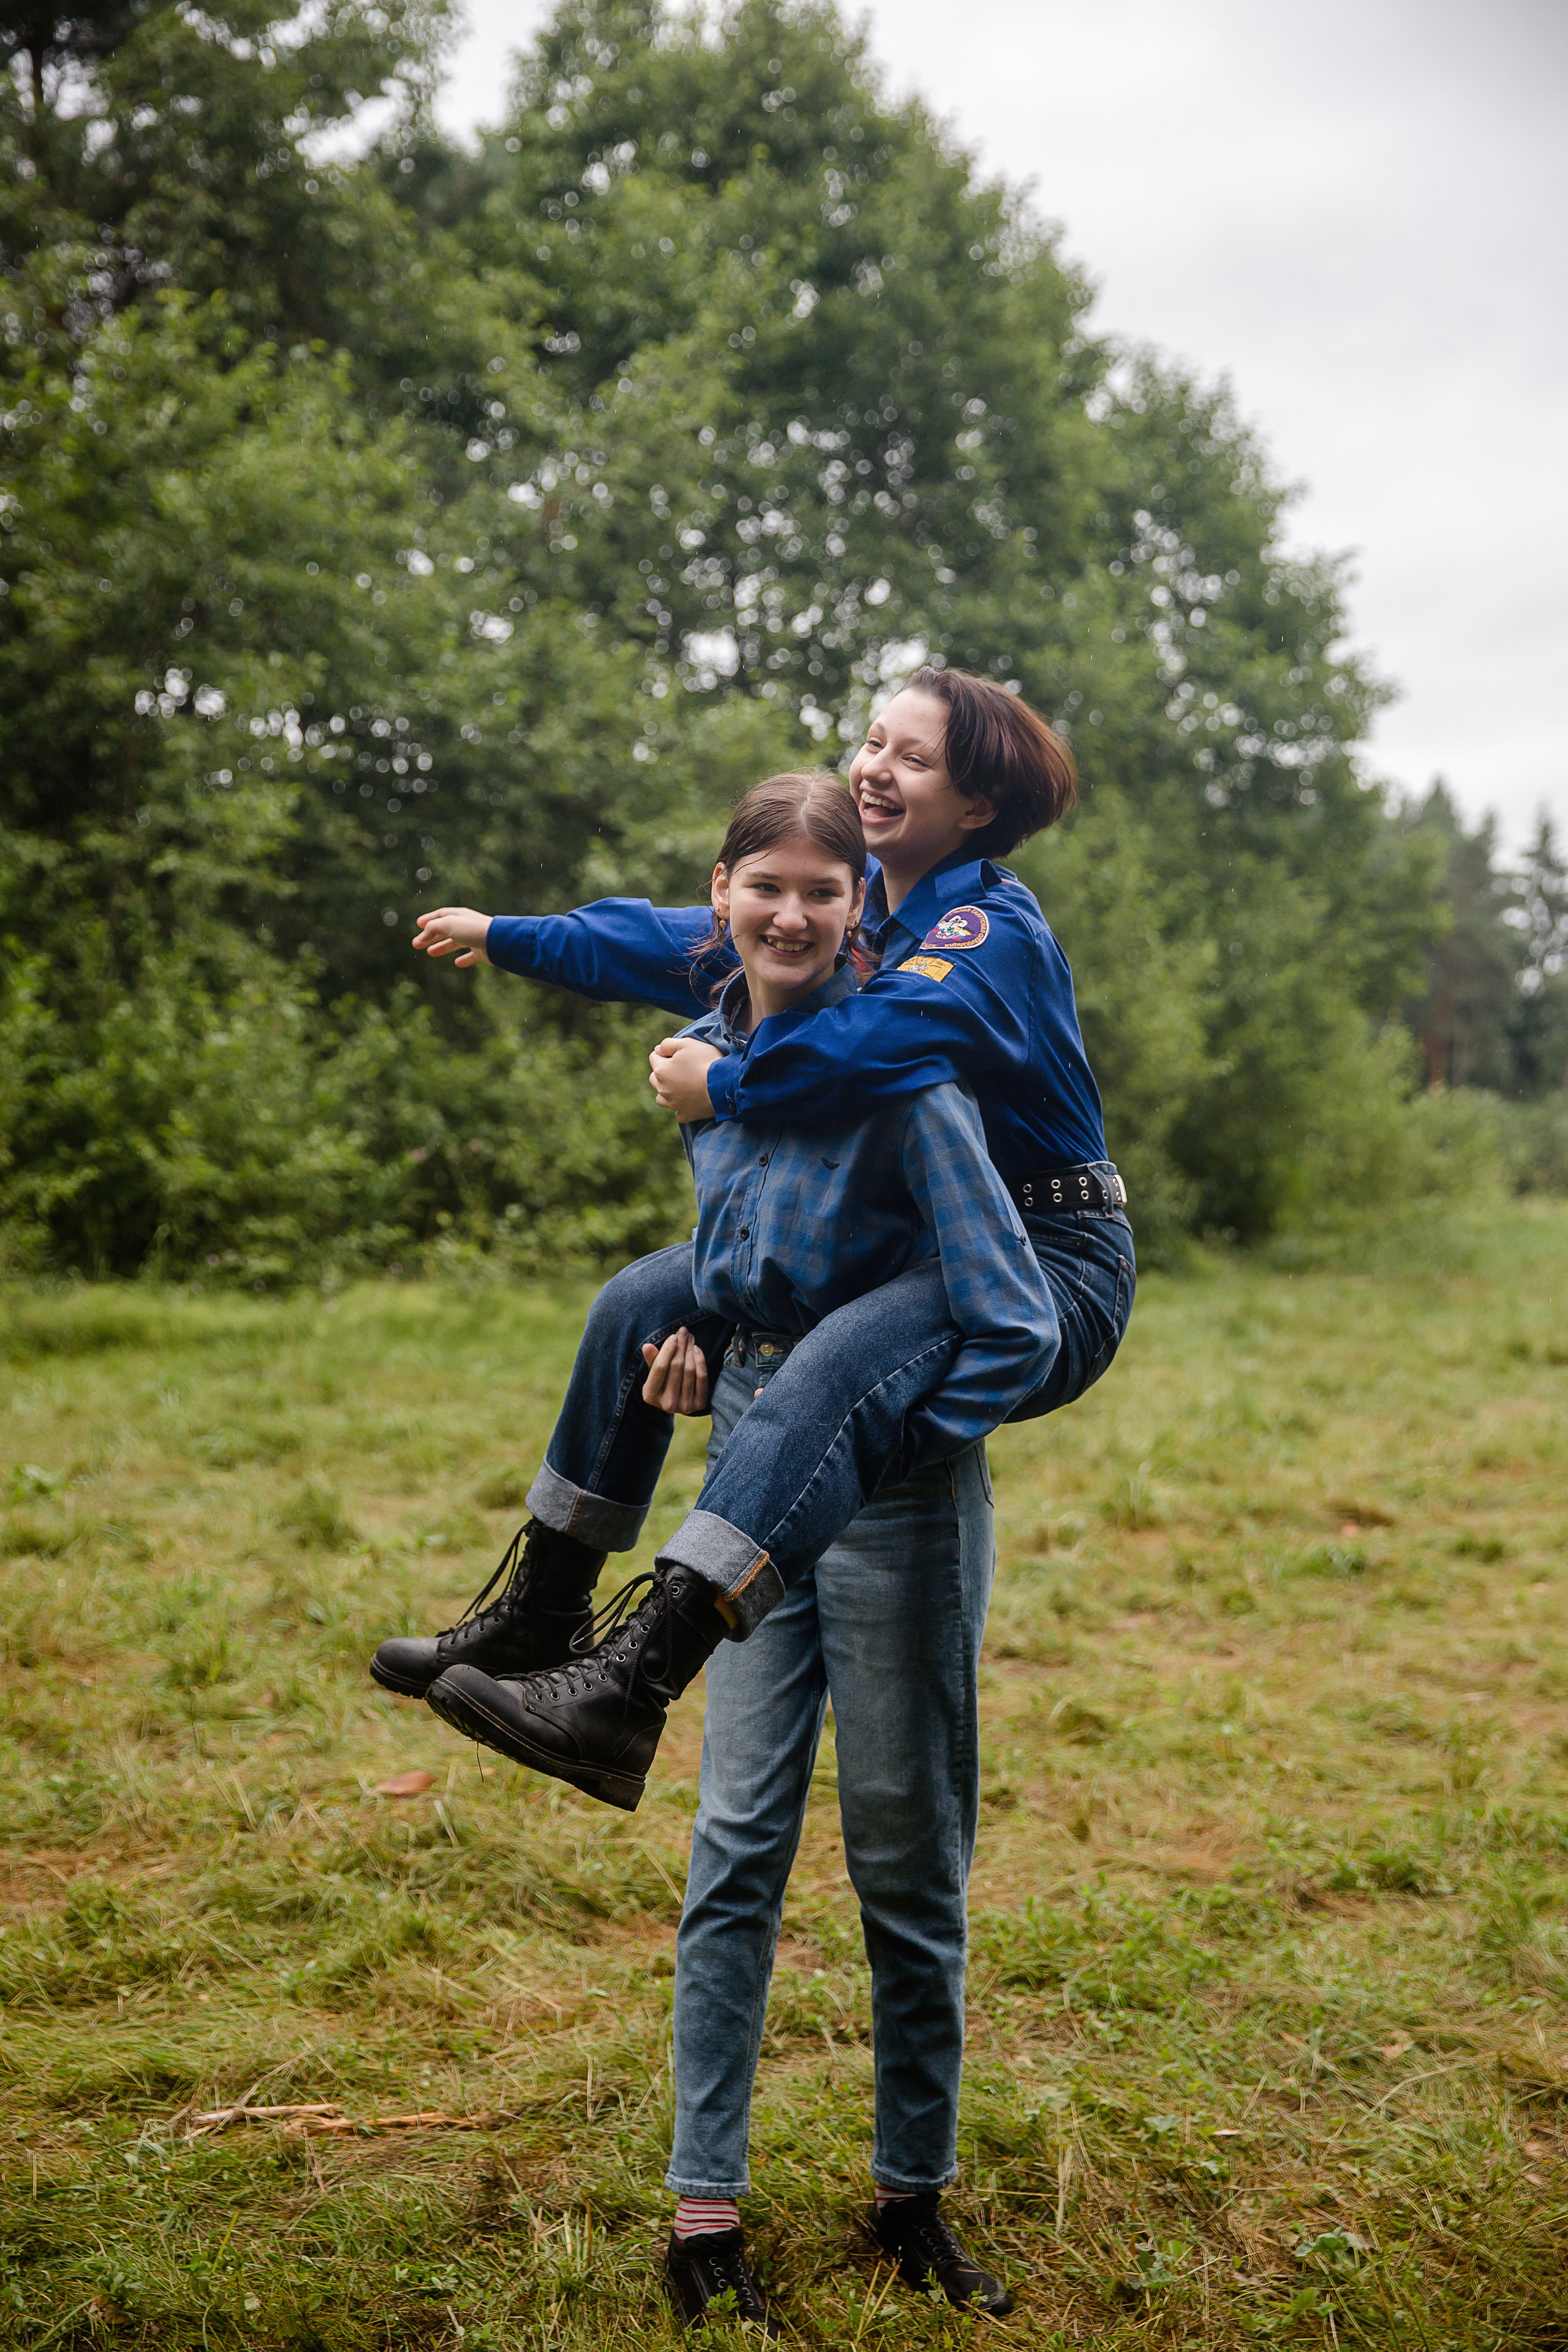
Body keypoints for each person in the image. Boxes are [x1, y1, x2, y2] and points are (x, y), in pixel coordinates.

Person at [429, 772, 1035, 2328]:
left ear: (856, 915)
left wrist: (893, 1437)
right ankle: (704, 2219)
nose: (790, 914)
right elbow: (749, 1258)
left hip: (897, 1511)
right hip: (744, 1490)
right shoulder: (709, 1062)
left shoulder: (905, 1073)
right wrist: (700, 1332)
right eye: (764, 886)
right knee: (734, 1854)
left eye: (824, 893)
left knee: (906, 1862)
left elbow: (1004, 1312)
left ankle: (911, 2199)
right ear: (721, 898)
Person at [369, 668, 1134, 1808]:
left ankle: (631, 1686)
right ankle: (545, 1609)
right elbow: (684, 937)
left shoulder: (985, 933)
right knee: (637, 1301)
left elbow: (881, 1044)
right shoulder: (862, 910)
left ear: (977, 805)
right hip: (909, 1238)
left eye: (913, 757)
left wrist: (724, 1085)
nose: (874, 768)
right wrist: (512, 937)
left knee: (832, 1367)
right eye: (873, 741)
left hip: (1042, 1254)